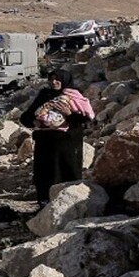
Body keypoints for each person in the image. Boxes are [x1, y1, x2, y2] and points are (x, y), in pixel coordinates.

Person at [20, 69, 95, 207]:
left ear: (65, 80)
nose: (53, 82)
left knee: (68, 173)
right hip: (46, 144)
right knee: (45, 175)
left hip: (68, 145)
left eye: (57, 79)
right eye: (51, 79)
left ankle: (71, 207)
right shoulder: (45, 96)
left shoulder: (75, 97)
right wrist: (35, 121)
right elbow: (26, 117)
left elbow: (85, 119)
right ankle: (45, 206)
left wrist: (69, 114)